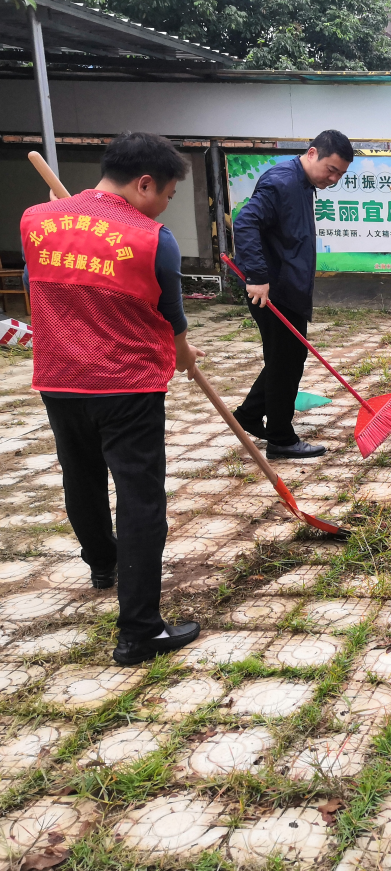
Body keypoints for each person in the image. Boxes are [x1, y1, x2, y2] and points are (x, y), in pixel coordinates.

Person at [20, 131, 204, 665]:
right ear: (145, 183)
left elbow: (36, 288)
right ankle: (140, 631)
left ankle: (103, 564)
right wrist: (183, 353)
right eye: (167, 194)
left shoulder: (37, 221)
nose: (165, 205)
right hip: (128, 385)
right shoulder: (152, 238)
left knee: (80, 476)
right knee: (141, 500)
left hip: (59, 379)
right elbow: (171, 316)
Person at [232, 130, 354, 458]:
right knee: (285, 363)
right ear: (312, 153)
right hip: (273, 291)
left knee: (286, 358)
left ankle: (249, 414)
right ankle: (281, 439)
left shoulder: (302, 183)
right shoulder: (282, 182)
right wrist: (257, 276)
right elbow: (245, 223)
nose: (333, 179)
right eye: (331, 170)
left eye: (340, 174)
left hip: (289, 288)